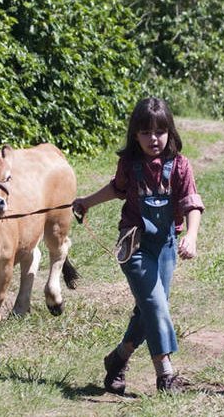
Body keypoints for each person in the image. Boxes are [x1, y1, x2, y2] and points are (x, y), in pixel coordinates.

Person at [73, 97, 204, 394]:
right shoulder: (129, 166)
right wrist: (86, 202)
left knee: (149, 309)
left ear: (170, 132)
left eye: (159, 131)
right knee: (156, 305)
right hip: (133, 243)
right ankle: (166, 375)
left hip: (166, 245)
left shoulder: (181, 166)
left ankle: (118, 359)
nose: (153, 138)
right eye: (145, 132)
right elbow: (116, 189)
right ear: (135, 134)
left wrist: (192, 235)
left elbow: (191, 203)